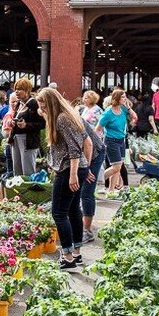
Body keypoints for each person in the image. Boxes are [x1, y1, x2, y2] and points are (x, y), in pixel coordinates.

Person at [36, 87, 89, 271]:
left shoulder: (61, 119)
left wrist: (73, 174)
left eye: (43, 105)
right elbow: (84, 141)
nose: (40, 108)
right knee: (74, 209)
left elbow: (75, 148)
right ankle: (76, 253)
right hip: (76, 167)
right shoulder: (67, 115)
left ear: (50, 103)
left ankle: (67, 256)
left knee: (59, 213)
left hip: (69, 169)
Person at [96, 89, 137, 198]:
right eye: (123, 97)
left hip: (121, 140)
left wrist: (128, 107)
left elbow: (135, 117)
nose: (125, 99)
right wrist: (97, 142)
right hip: (111, 141)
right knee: (116, 167)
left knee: (117, 167)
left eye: (125, 97)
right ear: (117, 98)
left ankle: (111, 190)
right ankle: (95, 178)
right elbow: (98, 129)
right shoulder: (108, 113)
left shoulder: (124, 109)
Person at [8, 78, 45, 177]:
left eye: (20, 89)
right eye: (15, 89)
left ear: (27, 90)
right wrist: (12, 123)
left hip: (28, 140)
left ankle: (29, 191)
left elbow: (43, 123)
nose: (16, 91)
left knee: (27, 170)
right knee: (17, 169)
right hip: (16, 138)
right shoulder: (19, 103)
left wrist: (26, 125)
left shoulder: (34, 104)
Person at [79, 120, 106, 244]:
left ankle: (87, 231)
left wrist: (86, 168)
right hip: (81, 155)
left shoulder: (67, 119)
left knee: (86, 192)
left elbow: (88, 145)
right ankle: (79, 224)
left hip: (94, 153)